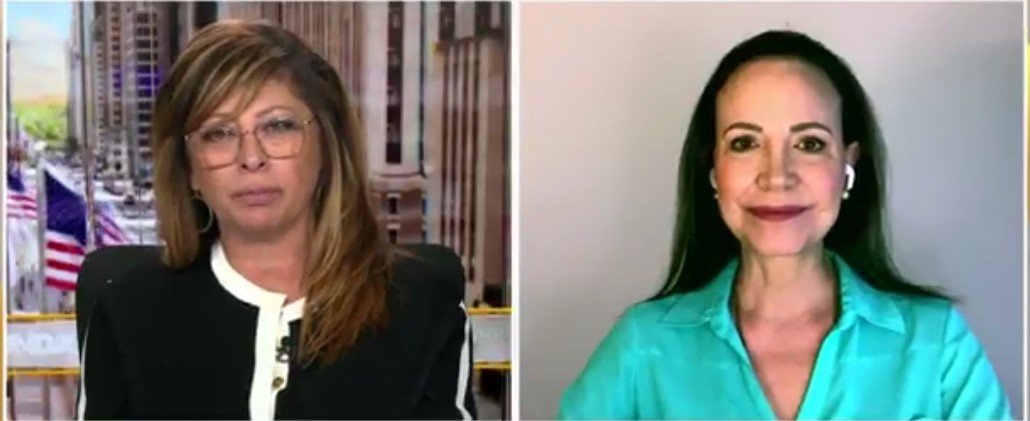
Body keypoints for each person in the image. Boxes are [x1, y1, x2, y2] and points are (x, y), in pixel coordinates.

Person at [558, 30, 1011, 420]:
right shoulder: (642, 347)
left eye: (810, 143)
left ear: (847, 166)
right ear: (713, 169)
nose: (777, 174)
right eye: (744, 142)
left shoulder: (939, 346)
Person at [77, 21, 476, 420]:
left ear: (328, 147)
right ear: (189, 170)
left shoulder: (424, 308)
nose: (251, 157)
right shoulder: (127, 314)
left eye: (278, 126)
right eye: (218, 134)